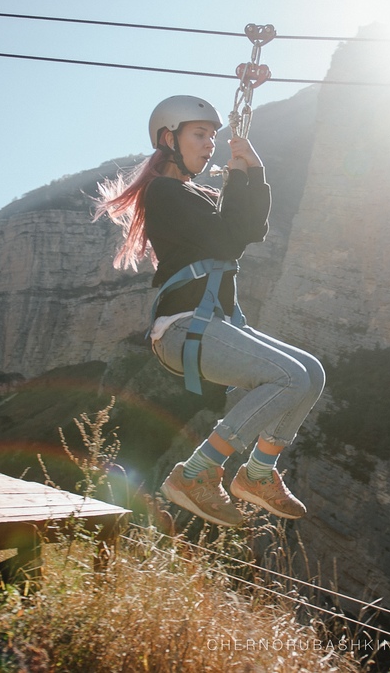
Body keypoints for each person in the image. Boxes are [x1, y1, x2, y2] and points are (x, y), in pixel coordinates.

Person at [95, 95, 324, 527]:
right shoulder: (164, 192)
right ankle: (196, 474)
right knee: (289, 377)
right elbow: (227, 241)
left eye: (212, 137)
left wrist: (252, 170)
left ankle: (258, 474)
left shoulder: (189, 193)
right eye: (199, 134)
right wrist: (241, 177)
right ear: (169, 139)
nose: (209, 144)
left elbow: (251, 229)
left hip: (209, 324)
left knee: (312, 373)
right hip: (184, 329)